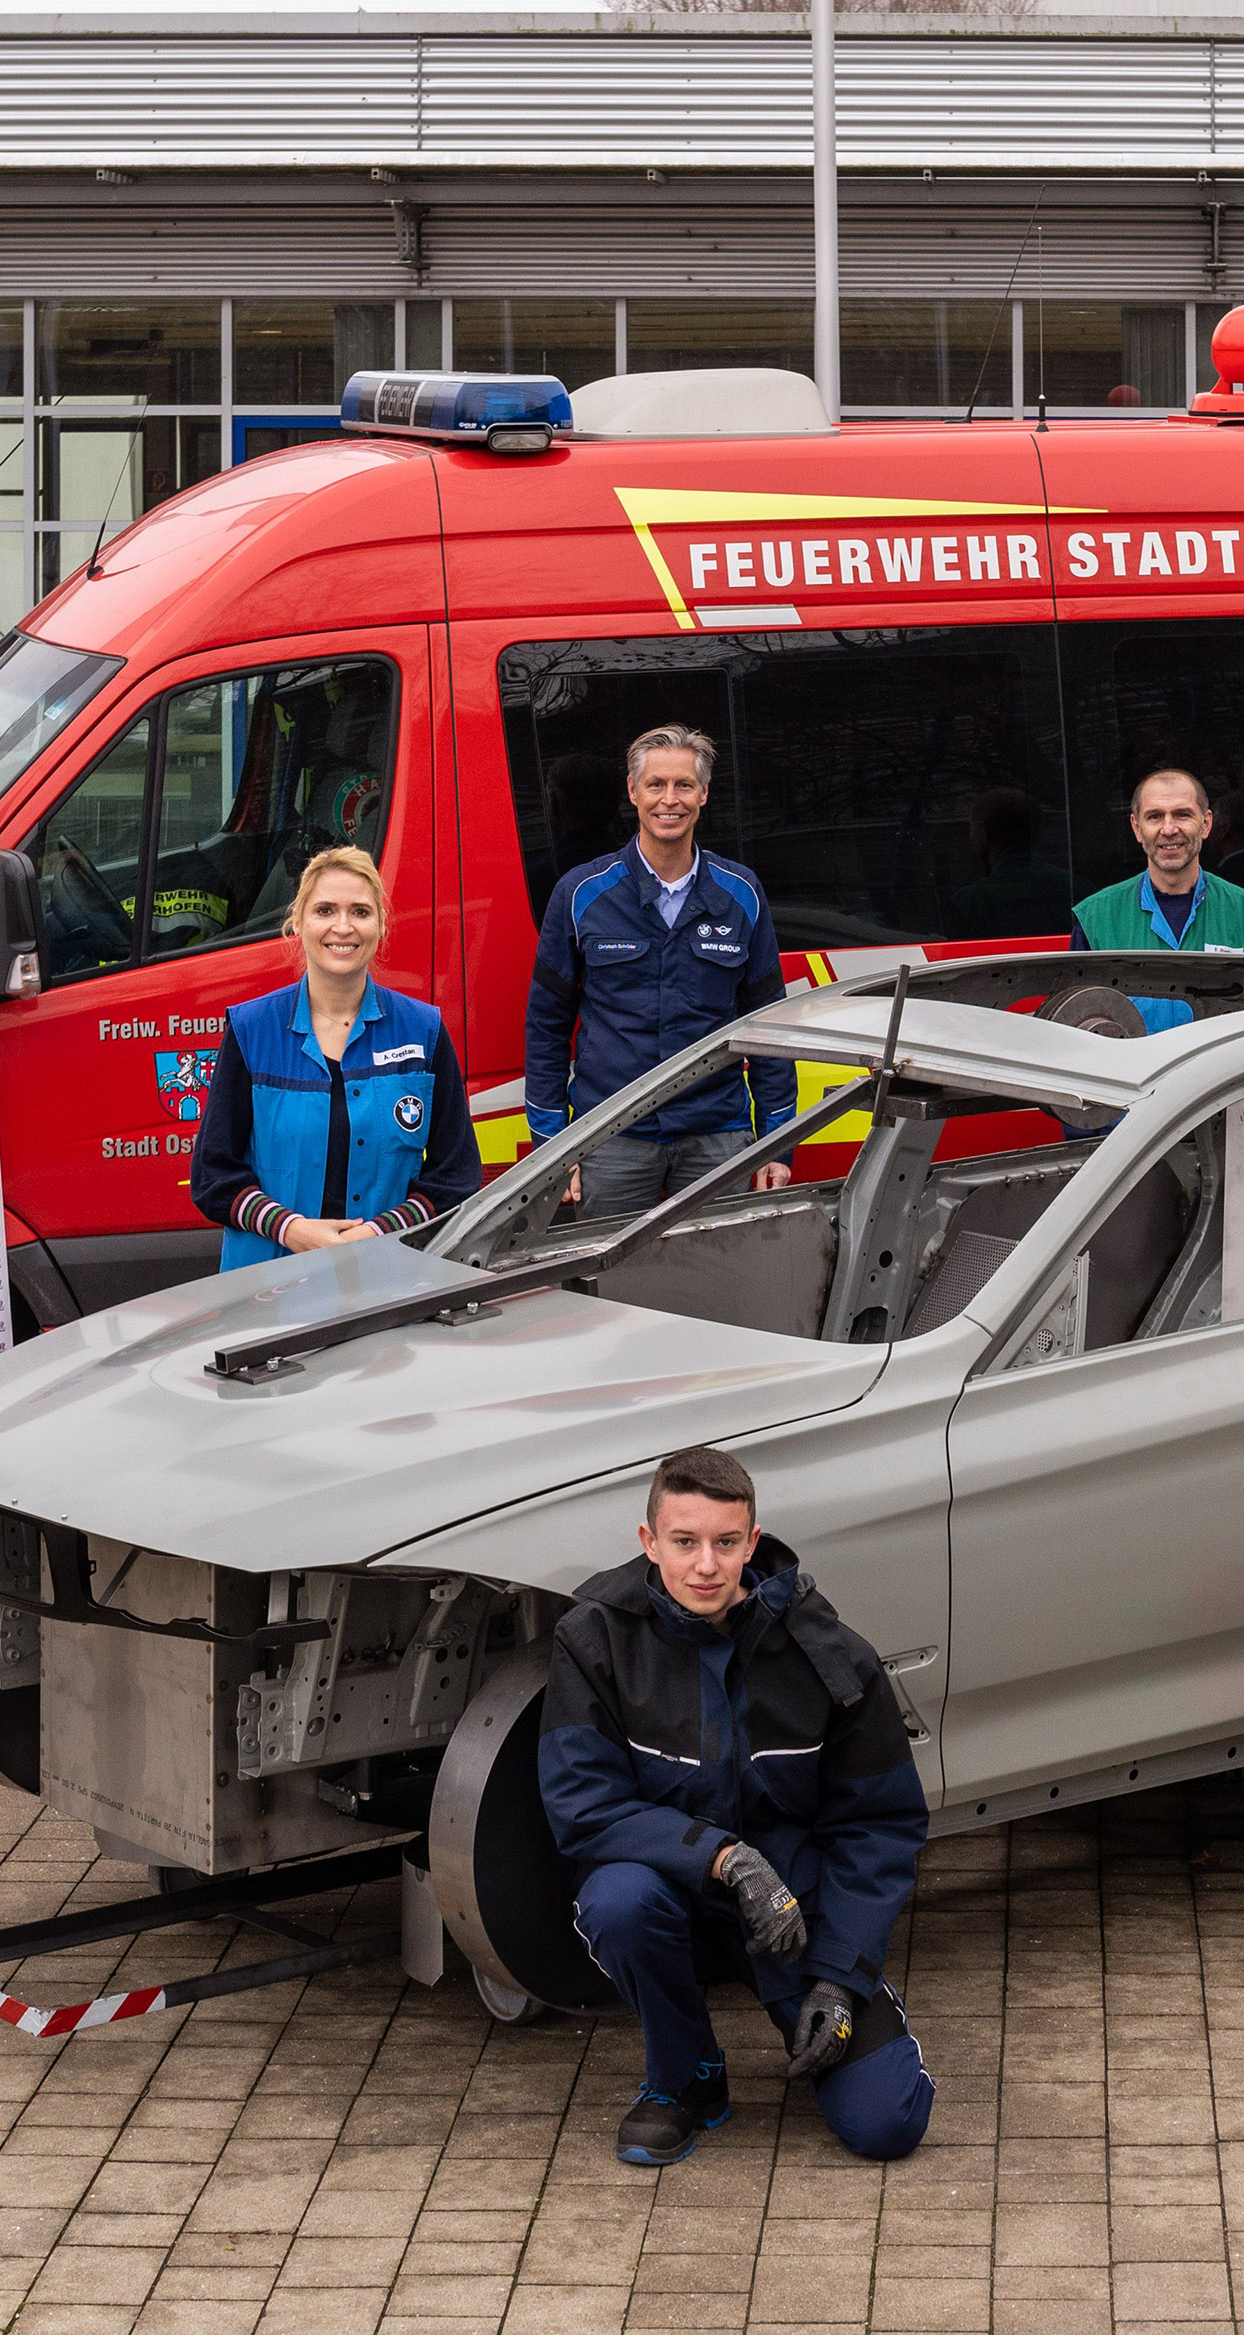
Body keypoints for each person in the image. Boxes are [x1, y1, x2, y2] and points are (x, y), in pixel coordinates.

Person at [543, 1446, 933, 2168]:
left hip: (793, 1916)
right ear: (648, 1541)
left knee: (889, 2124)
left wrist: (840, 1976)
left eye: (726, 1543)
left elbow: (879, 1825)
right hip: (675, 1899)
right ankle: (687, 2077)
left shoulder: (830, 1657)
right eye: (684, 1542)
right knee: (617, 1898)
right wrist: (725, 1858)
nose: (706, 1565)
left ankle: (837, 2008)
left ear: (752, 1543)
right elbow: (583, 1806)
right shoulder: (592, 1641)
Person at [524, 726, 795, 1218]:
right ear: (632, 792)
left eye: (684, 786)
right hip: (611, 1138)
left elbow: (770, 1024)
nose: (670, 800)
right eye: (656, 785)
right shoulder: (581, 893)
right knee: (607, 1284)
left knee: (723, 1278)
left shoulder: (741, 893)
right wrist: (550, 1146)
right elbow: (547, 1024)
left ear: (704, 793)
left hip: (717, 1138)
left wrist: (777, 1143)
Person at [193, 846, 482, 1268]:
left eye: (360, 912)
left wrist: (378, 1233)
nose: (342, 927)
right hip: (266, 1289)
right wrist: (290, 1229)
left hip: (387, 1279)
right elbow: (211, 1176)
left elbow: (456, 1176)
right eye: (325, 910)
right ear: (298, 922)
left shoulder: (423, 1030)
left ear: (381, 925)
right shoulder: (251, 1029)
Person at [1069, 768, 1244, 955]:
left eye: (1182, 815)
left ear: (1206, 824)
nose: (1169, 830)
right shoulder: (1096, 920)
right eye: (1155, 816)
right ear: (1136, 828)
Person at [944, 789, 1074, 941]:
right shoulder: (1081, 891)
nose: (970, 836)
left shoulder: (968, 903)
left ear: (982, 830)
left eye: (971, 827)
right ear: (1038, 831)